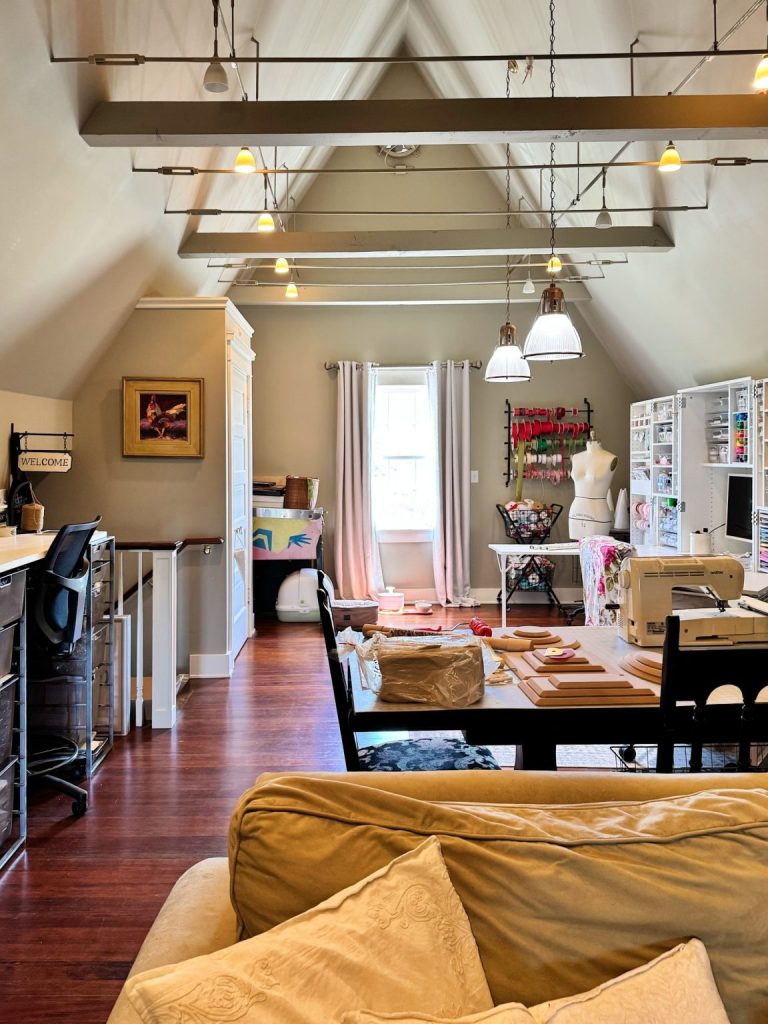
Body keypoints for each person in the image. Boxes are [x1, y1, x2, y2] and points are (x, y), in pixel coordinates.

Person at [568, 435, 618, 540]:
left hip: (597, 512)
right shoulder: (576, 457)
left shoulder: (610, 458)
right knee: (575, 550)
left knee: (598, 549)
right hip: (576, 511)